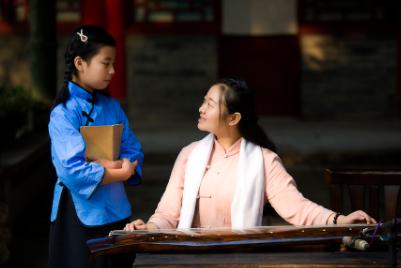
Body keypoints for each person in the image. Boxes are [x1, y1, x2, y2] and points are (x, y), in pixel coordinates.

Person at [124, 78, 375, 232]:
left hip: (241, 257)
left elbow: (296, 208)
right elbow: (168, 213)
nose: (200, 109)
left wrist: (339, 220)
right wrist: (149, 227)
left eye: (210, 104)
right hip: (191, 256)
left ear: (233, 118)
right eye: (203, 101)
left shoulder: (263, 160)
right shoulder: (189, 155)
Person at [48, 25, 144, 268]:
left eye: (114, 64)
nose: (112, 71)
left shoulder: (112, 107)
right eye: (106, 63)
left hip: (117, 209)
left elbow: (133, 149)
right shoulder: (63, 113)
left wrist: (111, 165)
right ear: (80, 63)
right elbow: (71, 170)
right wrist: (118, 171)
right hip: (79, 214)